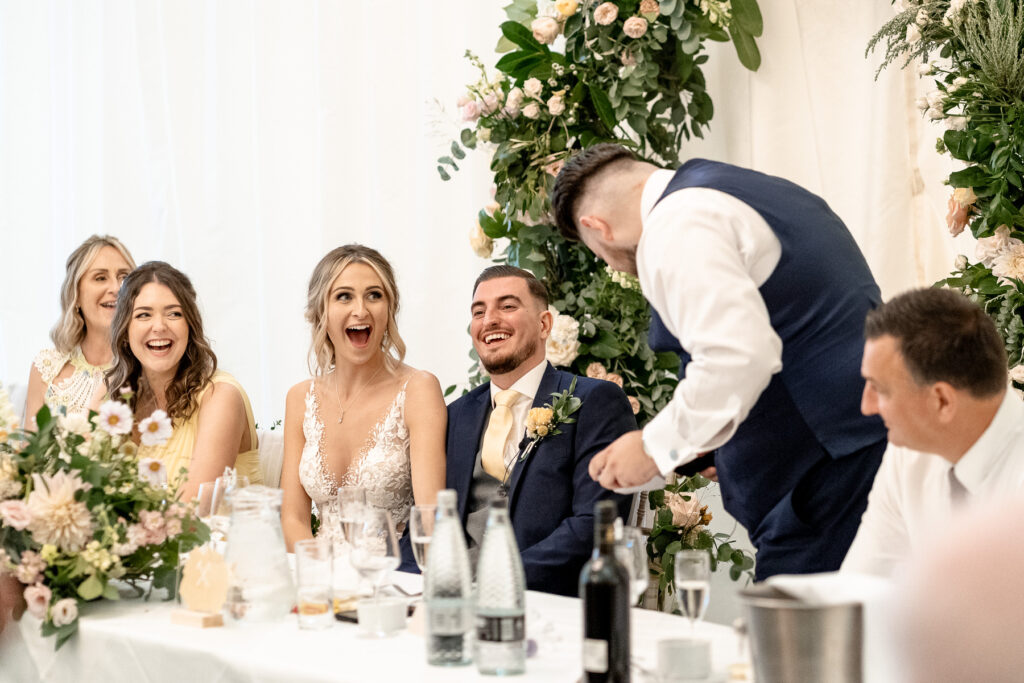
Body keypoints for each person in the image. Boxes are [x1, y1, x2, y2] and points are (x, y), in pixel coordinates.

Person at [551, 143, 887, 578]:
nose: (611, 265)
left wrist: (653, 448)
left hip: (823, 479)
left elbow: (738, 355)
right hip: (862, 448)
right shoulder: (756, 191)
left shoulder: (675, 226)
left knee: (802, 643)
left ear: (596, 226)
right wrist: (716, 444)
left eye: (596, 252)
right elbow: (790, 327)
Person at [438, 265, 635, 596]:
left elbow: (593, 524)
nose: (489, 320)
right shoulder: (454, 415)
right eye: (478, 311)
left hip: (550, 605)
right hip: (453, 602)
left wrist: (497, 583)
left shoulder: (594, 401)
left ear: (544, 325)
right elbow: (428, 518)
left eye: (508, 306)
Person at [842, 287, 1024, 576]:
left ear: (941, 400)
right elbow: (861, 587)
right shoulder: (907, 454)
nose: (867, 406)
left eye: (879, 389)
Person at [280, 245, 446, 551]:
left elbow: (430, 518)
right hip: (320, 582)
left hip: (391, 579)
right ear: (321, 312)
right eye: (344, 296)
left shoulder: (418, 389)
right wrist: (321, 577)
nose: (361, 310)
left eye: (374, 295)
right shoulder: (300, 398)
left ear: (390, 309)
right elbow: (292, 518)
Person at [106, 262, 262, 500]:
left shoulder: (220, 396)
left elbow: (193, 512)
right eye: (144, 315)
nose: (159, 326)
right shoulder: (119, 397)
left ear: (190, 326)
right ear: (125, 331)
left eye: (174, 314)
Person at [25, 235, 135, 425]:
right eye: (100, 278)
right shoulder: (45, 368)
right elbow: (30, 452)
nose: (116, 288)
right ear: (75, 295)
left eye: (124, 277)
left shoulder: (148, 368)